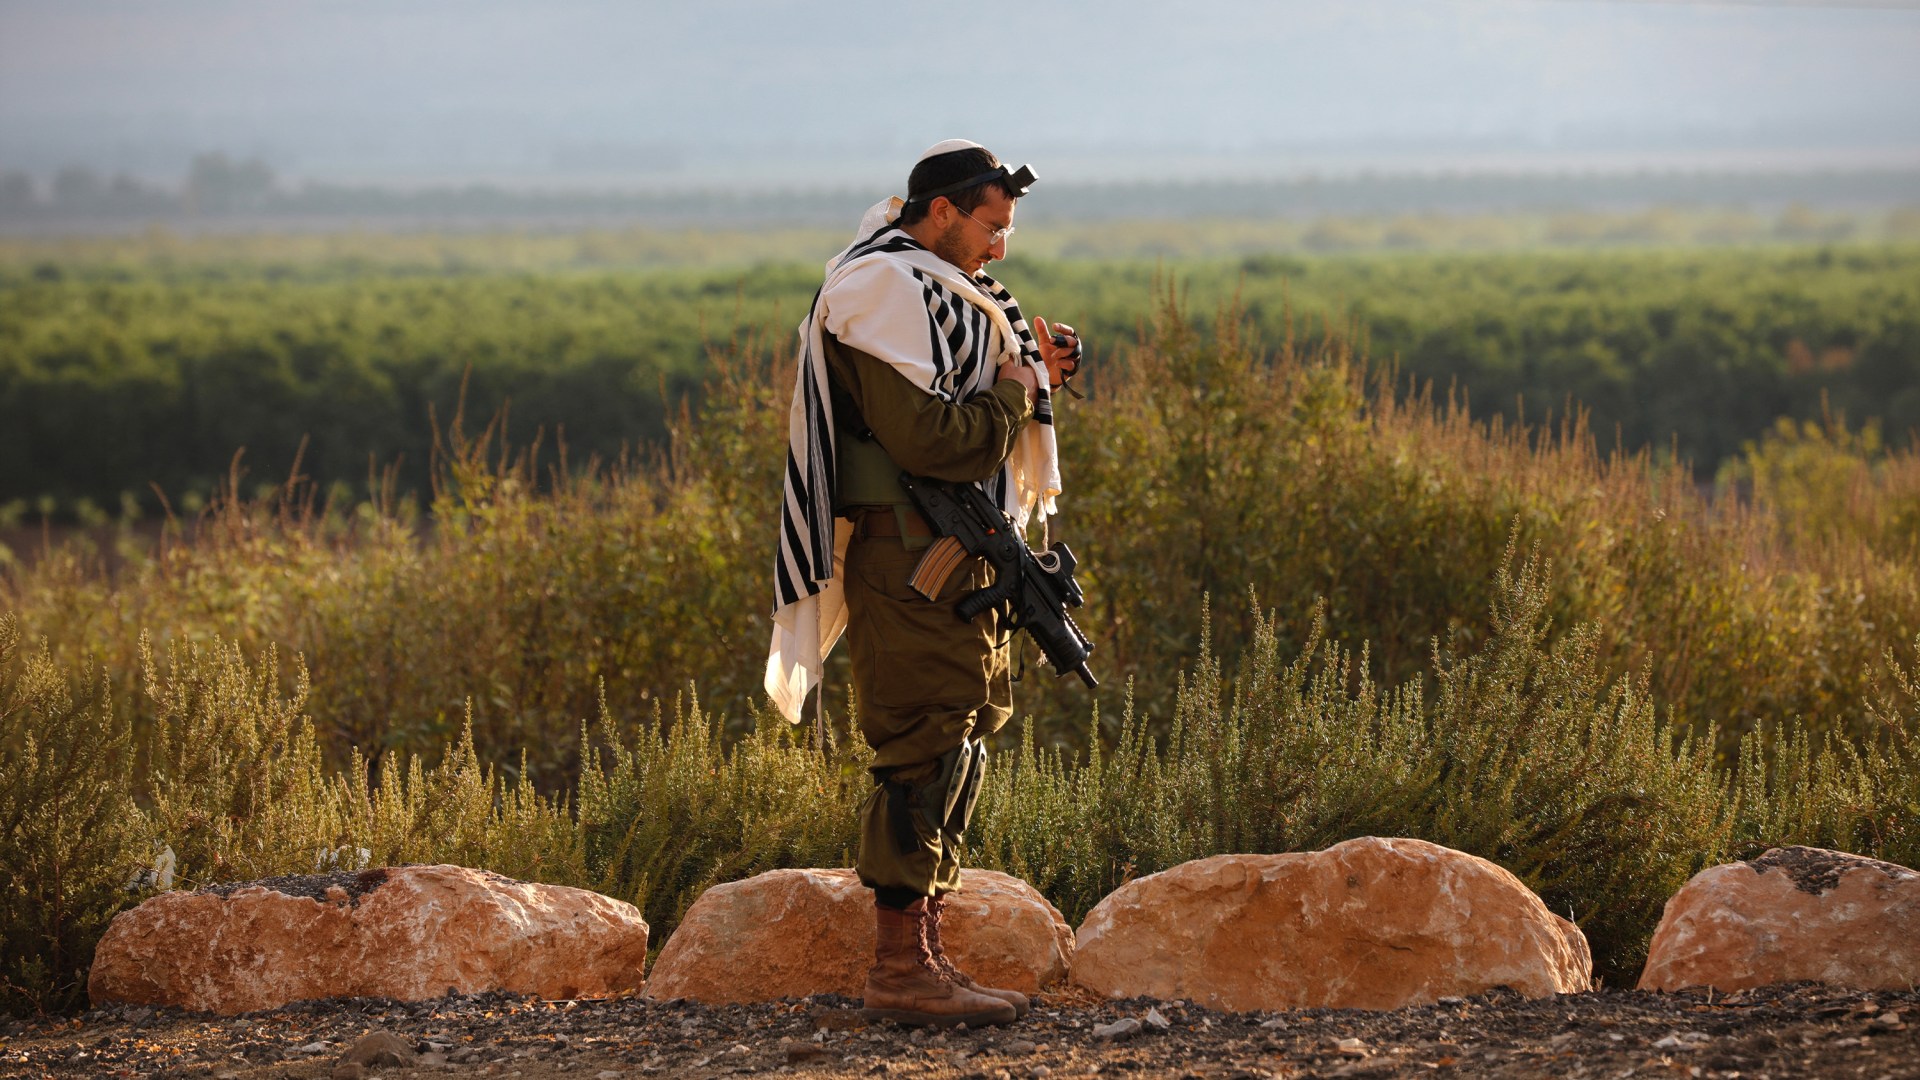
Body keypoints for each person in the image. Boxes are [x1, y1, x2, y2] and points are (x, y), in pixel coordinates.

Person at [766, 140, 1082, 1028]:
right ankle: (900, 970)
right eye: (990, 226)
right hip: (906, 561)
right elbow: (934, 442)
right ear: (939, 211)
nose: (1001, 250)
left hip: (947, 554)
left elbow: (961, 396)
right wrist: (1016, 392)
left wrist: (1029, 374)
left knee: (962, 735)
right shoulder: (878, 292)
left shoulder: (931, 293)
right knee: (922, 751)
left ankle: (925, 953)